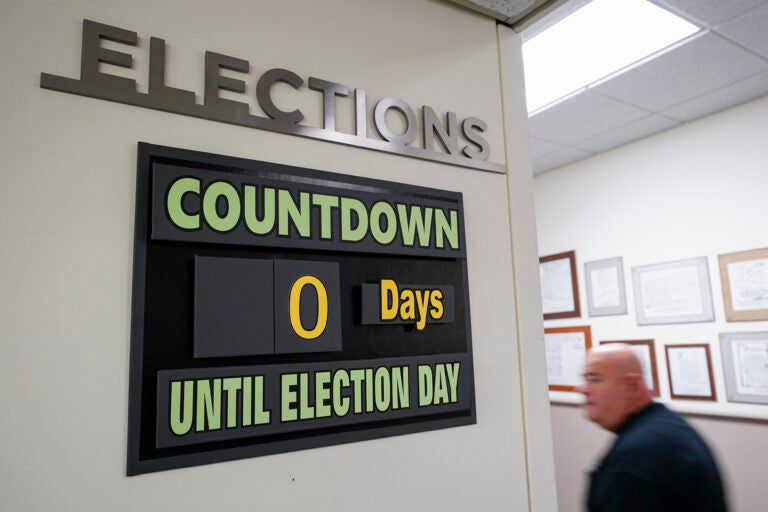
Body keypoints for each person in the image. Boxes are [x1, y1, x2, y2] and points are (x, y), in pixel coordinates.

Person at [579, 343, 728, 512]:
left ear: (632, 386)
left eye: (595, 379)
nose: (583, 389)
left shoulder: (637, 456)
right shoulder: (668, 425)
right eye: (584, 379)